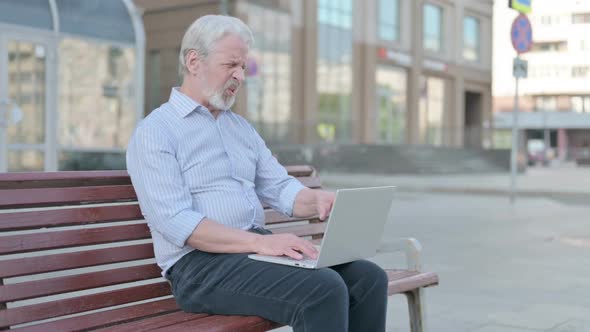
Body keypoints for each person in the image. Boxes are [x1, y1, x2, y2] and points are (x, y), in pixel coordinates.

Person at [126, 15, 388, 332]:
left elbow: (279, 188)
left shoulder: (240, 128)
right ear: (194, 62)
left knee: (369, 279)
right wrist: (260, 244)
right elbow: (177, 223)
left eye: (243, 66)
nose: (240, 75)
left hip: (250, 252)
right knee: (323, 289)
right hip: (197, 267)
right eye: (231, 65)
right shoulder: (156, 131)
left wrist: (317, 200)